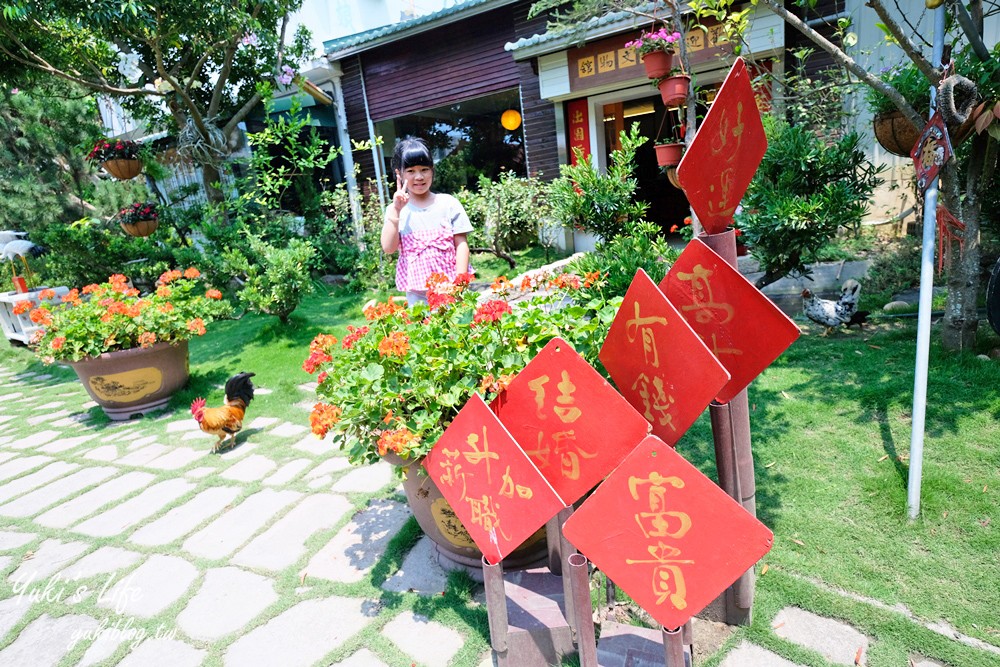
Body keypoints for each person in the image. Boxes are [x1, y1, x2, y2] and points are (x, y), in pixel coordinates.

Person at [381, 137, 472, 305]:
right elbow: (388, 248)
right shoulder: (396, 210)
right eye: (411, 171)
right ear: (399, 173)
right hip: (418, 295)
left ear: (432, 170)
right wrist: (396, 210)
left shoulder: (448, 203)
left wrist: (460, 282)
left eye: (424, 169)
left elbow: (461, 244)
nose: (419, 177)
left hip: (452, 289)